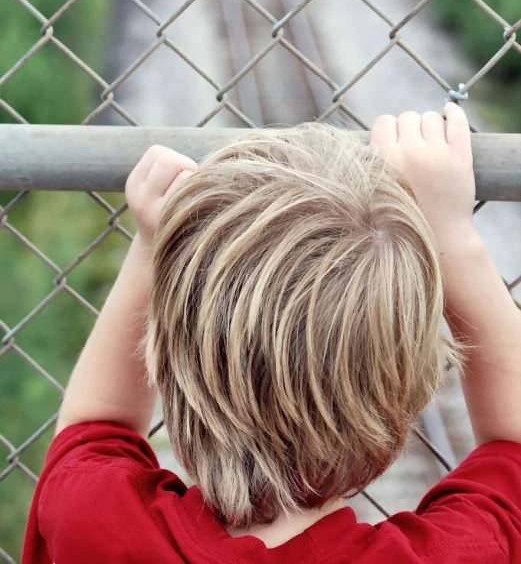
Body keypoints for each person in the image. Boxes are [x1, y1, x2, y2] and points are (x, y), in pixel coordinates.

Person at [23, 103, 521, 563]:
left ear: (161, 359)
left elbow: (95, 426)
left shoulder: (94, 521)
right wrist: (453, 236)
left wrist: (153, 247)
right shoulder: (465, 553)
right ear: (405, 398)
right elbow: (513, 449)